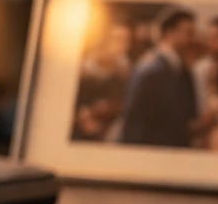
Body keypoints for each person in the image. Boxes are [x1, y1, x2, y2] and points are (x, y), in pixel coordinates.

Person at [120, 8, 198, 148]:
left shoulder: (178, 68)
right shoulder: (154, 70)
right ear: (169, 33)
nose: (193, 40)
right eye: (188, 33)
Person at [72, 21, 132, 141]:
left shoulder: (125, 67)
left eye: (126, 41)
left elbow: (125, 101)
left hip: (110, 127)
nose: (122, 46)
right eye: (117, 39)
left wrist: (111, 108)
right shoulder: (84, 67)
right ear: (104, 40)